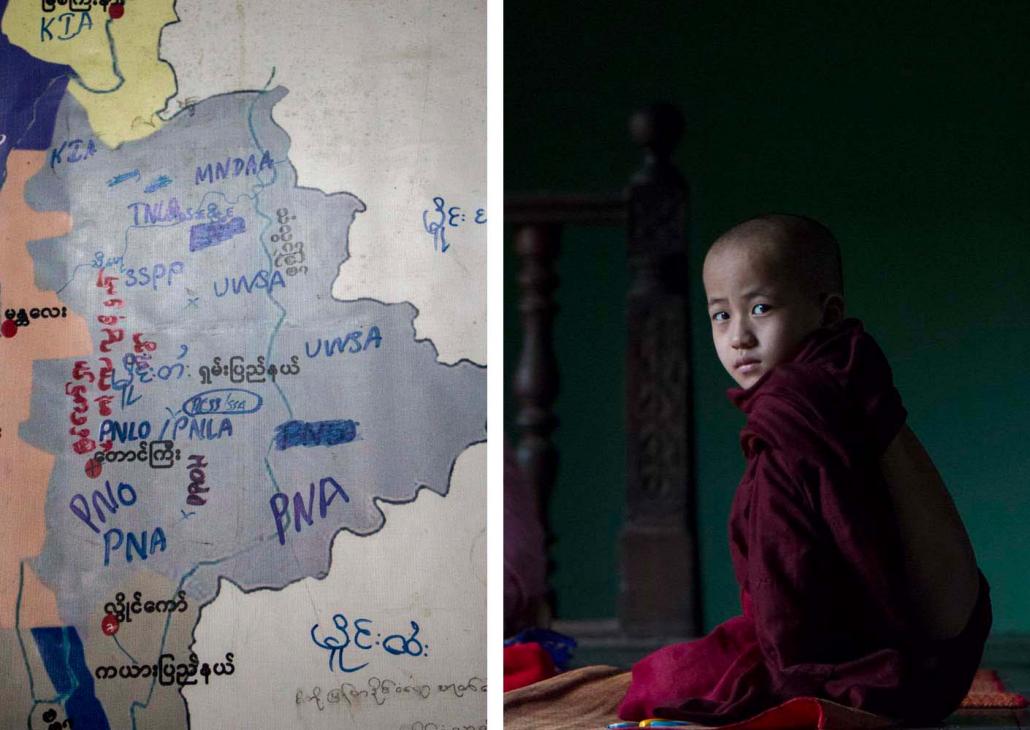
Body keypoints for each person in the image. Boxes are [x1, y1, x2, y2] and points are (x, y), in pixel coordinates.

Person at [617, 214, 991, 725]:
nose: (739, 337)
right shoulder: (852, 371)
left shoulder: (797, 416)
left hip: (890, 673)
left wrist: (791, 682)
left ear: (828, 311)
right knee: (695, 662)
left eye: (761, 308)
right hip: (953, 648)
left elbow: (786, 578)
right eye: (721, 316)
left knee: (662, 681)